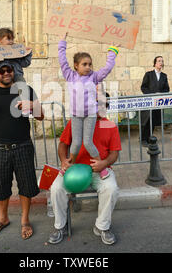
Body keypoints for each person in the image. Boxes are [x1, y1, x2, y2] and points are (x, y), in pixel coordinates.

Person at [0, 61, 44, 240]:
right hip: (0, 148)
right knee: (1, 186)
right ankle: (3, 219)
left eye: (9, 70)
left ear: (14, 71)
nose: (6, 73)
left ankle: (25, 220)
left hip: (23, 146)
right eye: (1, 71)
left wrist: (31, 105)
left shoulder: (24, 89)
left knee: (26, 186)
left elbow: (41, 115)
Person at [48, 93, 121, 245]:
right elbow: (62, 144)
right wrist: (63, 161)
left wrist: (104, 163)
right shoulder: (76, 123)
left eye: (104, 105)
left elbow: (114, 153)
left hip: (99, 170)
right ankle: (60, 226)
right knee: (56, 188)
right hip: (74, 169)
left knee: (111, 188)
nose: (100, 108)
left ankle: (102, 227)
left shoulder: (110, 126)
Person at [58, 32, 119, 180]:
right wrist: (62, 42)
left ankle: (101, 166)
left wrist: (112, 51)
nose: (88, 67)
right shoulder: (70, 76)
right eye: (84, 64)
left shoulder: (95, 77)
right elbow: (62, 61)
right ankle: (68, 165)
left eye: (90, 64)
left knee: (88, 142)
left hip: (91, 114)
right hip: (76, 115)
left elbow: (108, 68)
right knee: (76, 143)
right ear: (76, 66)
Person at [0, 28, 32, 101]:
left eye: (12, 39)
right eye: (8, 39)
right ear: (0, 40)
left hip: (17, 75)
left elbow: (25, 63)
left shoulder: (16, 51)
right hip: (1, 78)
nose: (11, 41)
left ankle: (25, 101)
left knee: (21, 83)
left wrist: (28, 54)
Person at [140, 56, 170, 146]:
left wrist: (160, 94)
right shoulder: (148, 74)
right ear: (155, 63)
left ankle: (149, 138)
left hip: (158, 102)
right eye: (159, 61)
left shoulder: (164, 76)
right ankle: (143, 139)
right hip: (149, 101)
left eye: (162, 61)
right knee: (146, 120)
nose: (161, 62)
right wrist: (152, 95)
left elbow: (167, 89)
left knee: (153, 120)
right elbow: (143, 87)